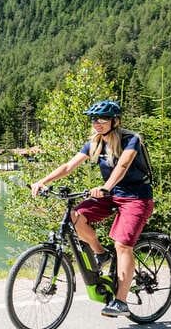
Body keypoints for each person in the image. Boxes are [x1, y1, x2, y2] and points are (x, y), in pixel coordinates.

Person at [29, 100, 154, 318]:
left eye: (102, 119)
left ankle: (121, 302)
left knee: (123, 245)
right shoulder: (95, 143)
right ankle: (100, 253)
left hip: (136, 198)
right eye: (94, 119)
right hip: (111, 195)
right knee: (74, 215)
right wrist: (42, 181)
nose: (97, 123)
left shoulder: (131, 140)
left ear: (115, 121)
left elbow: (123, 166)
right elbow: (69, 166)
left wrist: (105, 187)